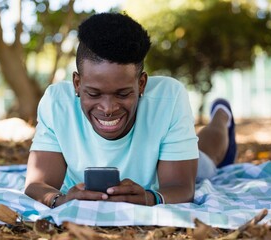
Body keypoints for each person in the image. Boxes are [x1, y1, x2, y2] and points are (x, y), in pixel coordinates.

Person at [24, 12, 237, 208]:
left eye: (123, 94)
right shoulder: (56, 103)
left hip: (167, 162)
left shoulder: (169, 97)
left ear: (141, 84)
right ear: (77, 84)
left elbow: (182, 187)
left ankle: (221, 116)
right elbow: (37, 185)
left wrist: (151, 197)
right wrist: (61, 200)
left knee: (207, 161)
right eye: (94, 94)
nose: (108, 109)